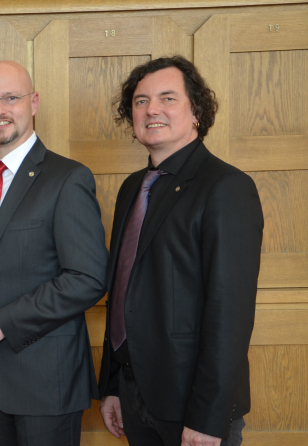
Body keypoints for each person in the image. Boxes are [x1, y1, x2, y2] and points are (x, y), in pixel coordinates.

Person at [98, 56, 263, 446]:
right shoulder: (132, 188)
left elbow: (230, 316)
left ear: (196, 112)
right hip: (135, 393)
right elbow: (124, 289)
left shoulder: (226, 187)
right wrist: (113, 385)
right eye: (140, 101)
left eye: (167, 98)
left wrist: (208, 418)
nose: (152, 109)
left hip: (193, 407)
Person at [0, 60, 108, 446]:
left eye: (10, 98)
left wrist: (3, 321)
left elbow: (87, 279)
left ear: (34, 102)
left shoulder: (68, 178)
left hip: (47, 383)